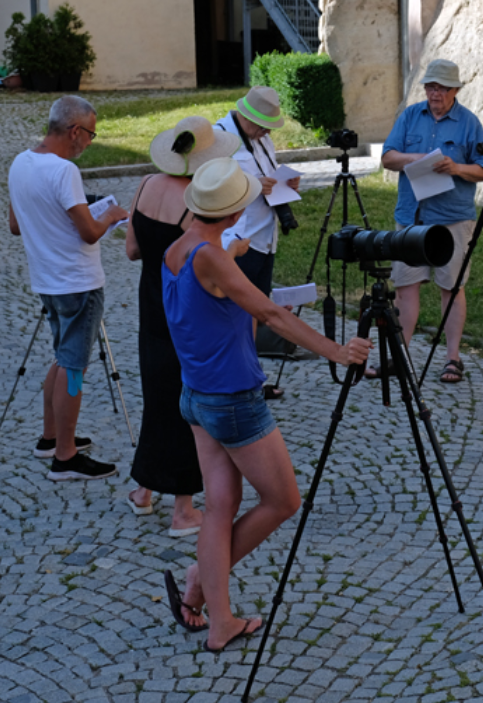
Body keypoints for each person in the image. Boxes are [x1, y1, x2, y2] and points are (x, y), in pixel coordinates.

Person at [160, 158, 370, 652]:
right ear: (235, 214)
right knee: (283, 501)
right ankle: (204, 585)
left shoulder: (178, 248)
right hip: (233, 400)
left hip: (196, 394)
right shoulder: (214, 259)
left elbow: (211, 289)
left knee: (220, 509)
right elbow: (271, 313)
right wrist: (337, 352)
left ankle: (214, 613)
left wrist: (231, 253)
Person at [124, 116, 240, 536]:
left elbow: (132, 250)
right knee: (187, 406)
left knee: (156, 396)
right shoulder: (197, 204)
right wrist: (235, 250)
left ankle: (144, 490)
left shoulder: (145, 185)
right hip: (183, 312)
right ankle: (183, 509)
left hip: (150, 306)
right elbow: (204, 266)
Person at [7, 95, 129, 481]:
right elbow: (89, 232)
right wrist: (111, 214)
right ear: (75, 131)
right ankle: (65, 456)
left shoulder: (21, 162)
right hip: (78, 282)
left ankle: (50, 438)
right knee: (74, 367)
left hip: (47, 280)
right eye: (91, 134)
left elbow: (15, 225)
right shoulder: (64, 171)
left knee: (62, 358)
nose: (90, 142)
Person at [380, 59, 483, 384]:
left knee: (451, 288)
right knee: (405, 288)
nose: (434, 93)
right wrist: (415, 158)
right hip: (411, 217)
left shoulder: (469, 123)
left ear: (454, 90)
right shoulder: (410, 116)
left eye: (441, 88)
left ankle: (452, 358)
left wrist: (456, 168)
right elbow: (387, 157)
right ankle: (400, 357)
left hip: (452, 219)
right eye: (430, 87)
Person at [214, 86, 302, 399]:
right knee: (232, 313)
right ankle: (229, 381)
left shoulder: (262, 139)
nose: (267, 132)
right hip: (237, 239)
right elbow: (210, 186)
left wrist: (286, 183)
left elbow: (268, 177)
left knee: (253, 311)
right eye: (263, 126)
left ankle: (250, 378)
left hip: (265, 238)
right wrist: (252, 184)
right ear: (246, 116)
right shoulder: (220, 137)